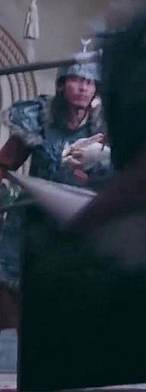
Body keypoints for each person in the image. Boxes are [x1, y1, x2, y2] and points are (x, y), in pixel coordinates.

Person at [0, 57, 112, 295]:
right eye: (77, 80)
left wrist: (96, 176)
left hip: (77, 221)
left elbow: (116, 179)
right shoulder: (39, 118)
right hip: (32, 219)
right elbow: (4, 163)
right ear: (61, 84)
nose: (83, 88)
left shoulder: (104, 128)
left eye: (89, 82)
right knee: (18, 289)